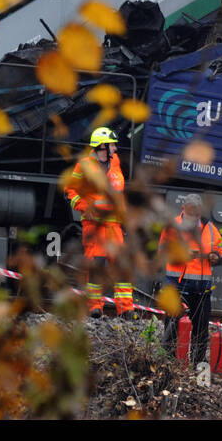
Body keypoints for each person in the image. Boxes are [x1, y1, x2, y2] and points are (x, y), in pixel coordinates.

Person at [62, 127, 134, 319]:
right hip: (94, 227)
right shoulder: (84, 165)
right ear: (102, 145)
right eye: (112, 145)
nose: (115, 149)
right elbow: (70, 190)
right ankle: (95, 308)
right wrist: (85, 207)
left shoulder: (115, 162)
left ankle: (126, 309)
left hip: (114, 226)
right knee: (97, 266)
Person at [158, 193, 222, 365]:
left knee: (201, 330)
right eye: (190, 214)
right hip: (176, 285)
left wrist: (215, 256)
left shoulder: (210, 228)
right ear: (183, 209)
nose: (193, 218)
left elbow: (218, 250)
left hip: (202, 288)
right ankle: (168, 364)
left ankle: (197, 365)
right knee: (172, 326)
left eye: (196, 214)